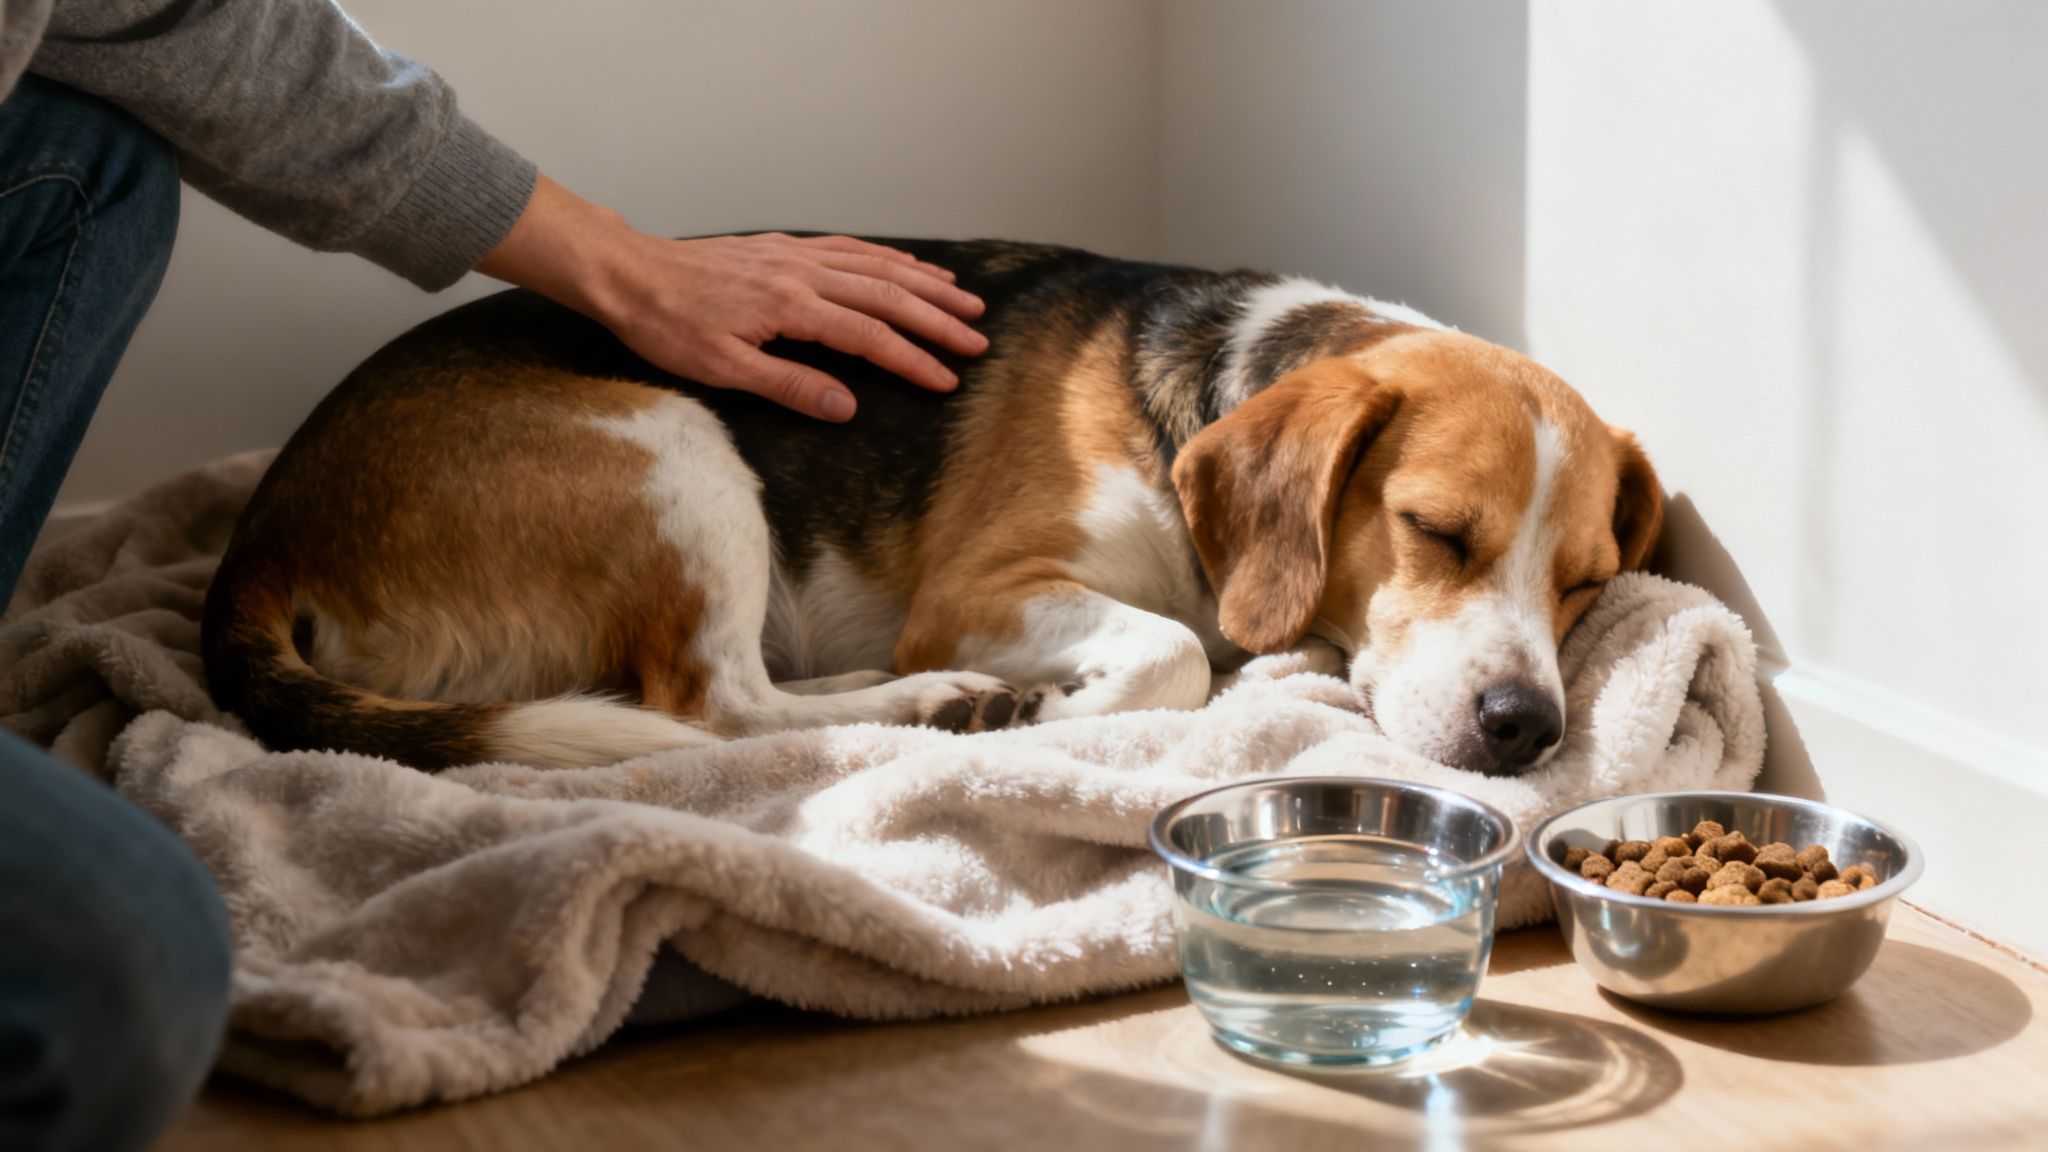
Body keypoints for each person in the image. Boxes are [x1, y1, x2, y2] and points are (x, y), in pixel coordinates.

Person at [0, 2, 988, 1148]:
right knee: (116, 967)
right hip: (409, 592)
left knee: (94, 155)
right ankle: (723, 709)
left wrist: (633, 271)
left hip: (384, 592)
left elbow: (193, 23)